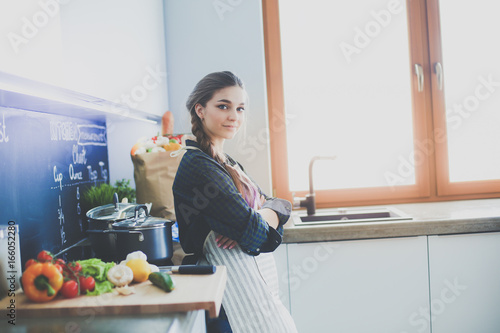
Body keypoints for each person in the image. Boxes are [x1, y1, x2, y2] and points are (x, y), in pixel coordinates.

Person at [172, 71, 298, 333]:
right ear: (201, 110)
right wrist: (258, 216)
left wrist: (263, 214)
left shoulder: (227, 163)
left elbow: (279, 206)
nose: (234, 116)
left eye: (240, 108)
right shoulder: (198, 166)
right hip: (227, 300)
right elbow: (254, 234)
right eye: (223, 106)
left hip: (254, 286)